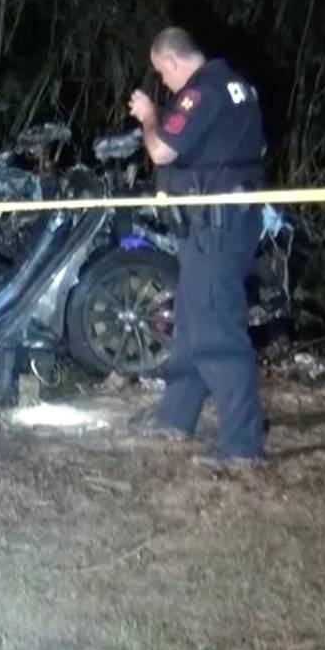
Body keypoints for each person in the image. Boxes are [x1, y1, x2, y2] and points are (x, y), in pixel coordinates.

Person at [124, 25, 269, 466]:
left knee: (217, 333)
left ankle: (242, 445)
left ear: (171, 61)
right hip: (219, 226)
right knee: (190, 321)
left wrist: (149, 115)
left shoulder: (201, 93)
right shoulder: (238, 86)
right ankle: (176, 417)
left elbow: (162, 150)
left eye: (161, 74)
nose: (164, 84)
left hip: (216, 231)